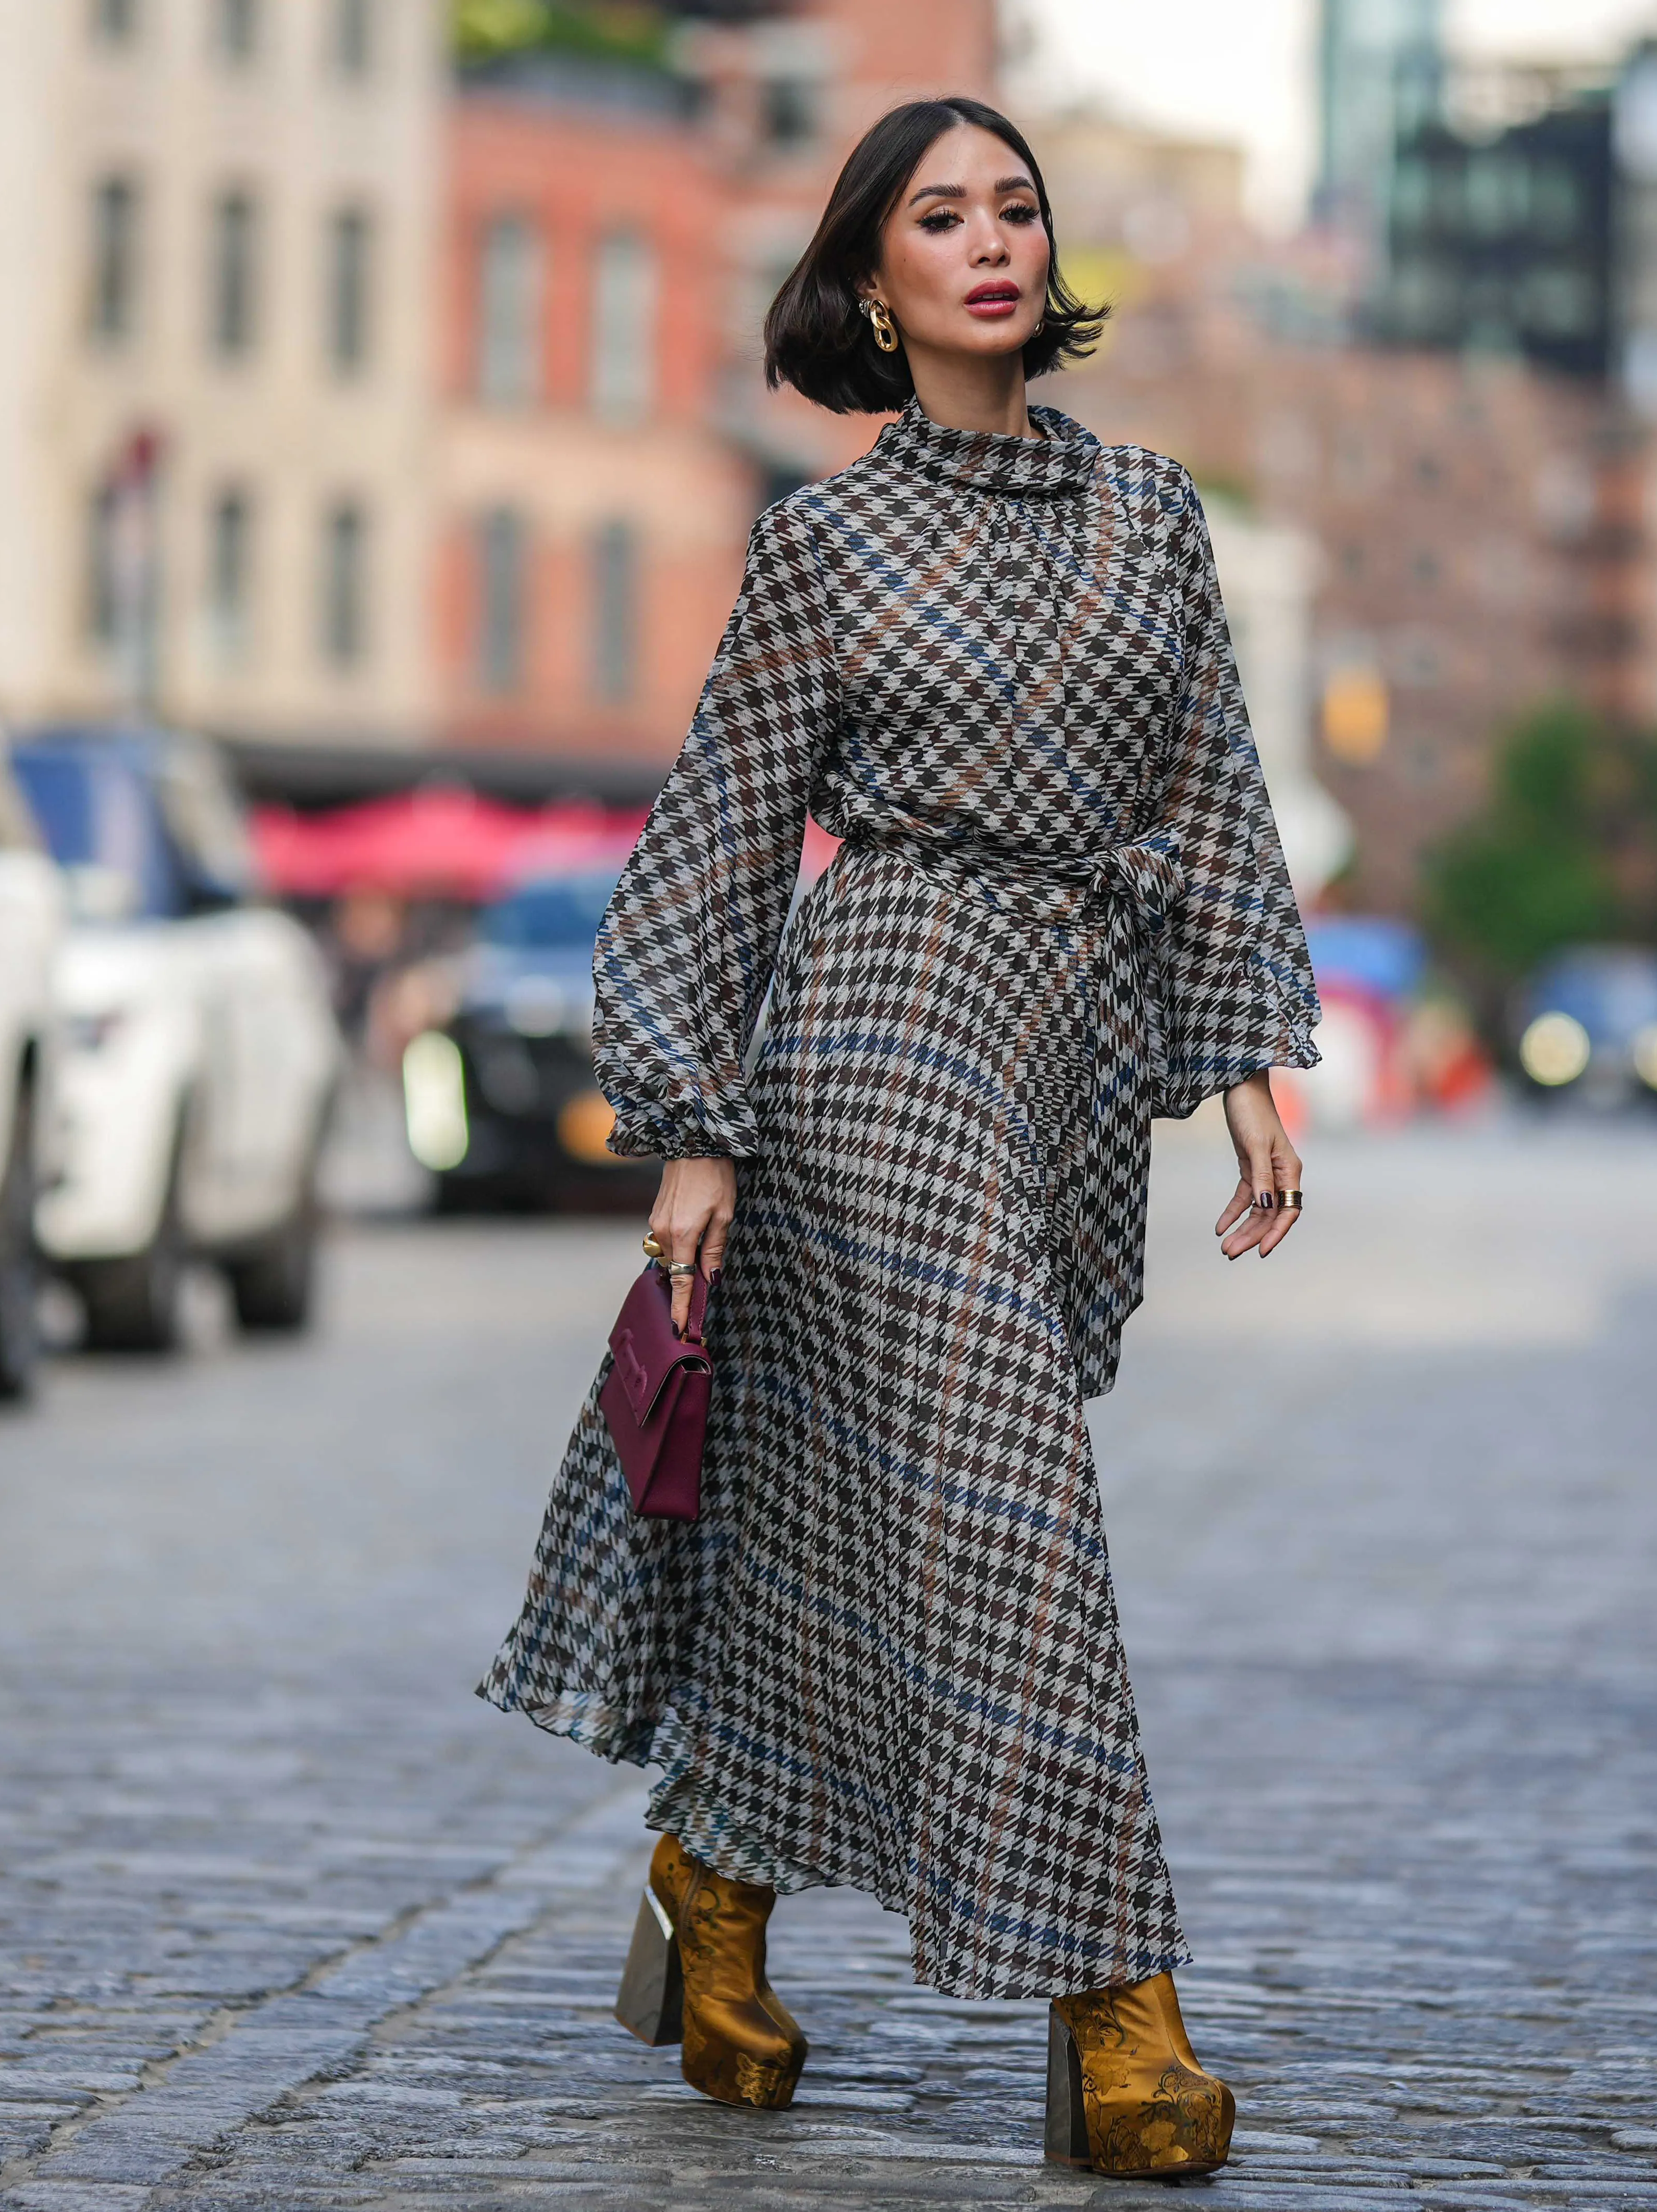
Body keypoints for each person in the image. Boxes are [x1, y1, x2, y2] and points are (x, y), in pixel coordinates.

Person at [474, 94, 1318, 2184]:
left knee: (855, 1511)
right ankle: (1119, 2015)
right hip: (873, 1035)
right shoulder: (822, 545)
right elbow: (719, 830)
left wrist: (1249, 1052)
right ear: (873, 280)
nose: (993, 241)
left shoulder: (1154, 515)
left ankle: (711, 1880)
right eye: (941, 217)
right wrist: (689, 1122)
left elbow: (1211, 787)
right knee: (1015, 1503)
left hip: (1060, 1060)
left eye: (1017, 206)